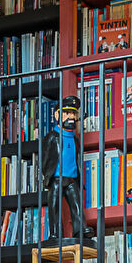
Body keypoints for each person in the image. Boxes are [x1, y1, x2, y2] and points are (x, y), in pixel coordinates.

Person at [39, 96, 92, 243]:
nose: (71, 117)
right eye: (67, 113)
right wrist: (47, 175)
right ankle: (55, 233)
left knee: (76, 205)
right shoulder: (51, 137)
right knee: (54, 206)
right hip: (55, 179)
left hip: (71, 179)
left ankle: (80, 229)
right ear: (57, 115)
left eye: (74, 114)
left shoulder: (75, 139)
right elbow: (44, 159)